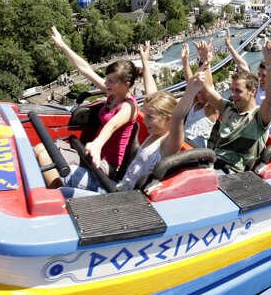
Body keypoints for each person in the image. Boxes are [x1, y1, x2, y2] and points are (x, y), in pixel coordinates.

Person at [39, 63, 211, 198]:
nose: (145, 121)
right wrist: (145, 61)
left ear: (167, 119)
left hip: (123, 198)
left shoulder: (168, 144)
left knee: (63, 191)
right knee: (55, 171)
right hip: (116, 187)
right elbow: (153, 95)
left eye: (150, 117)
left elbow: (178, 116)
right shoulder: (153, 134)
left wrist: (191, 91)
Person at [34, 26, 139, 189]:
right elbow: (85, 69)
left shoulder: (129, 107)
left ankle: (54, 197)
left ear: (126, 85)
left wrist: (97, 144)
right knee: (40, 148)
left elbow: (111, 126)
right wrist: (63, 45)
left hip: (105, 166)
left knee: (46, 159)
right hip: (91, 154)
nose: (105, 83)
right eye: (107, 79)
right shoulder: (112, 93)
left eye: (111, 81)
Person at [201, 39, 271, 172]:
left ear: (252, 92)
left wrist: (270, 62)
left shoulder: (259, 117)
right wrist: (204, 60)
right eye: (232, 90)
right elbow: (206, 90)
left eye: (238, 91)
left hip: (232, 173)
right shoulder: (228, 108)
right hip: (213, 165)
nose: (232, 95)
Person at [225, 34, 271, 137]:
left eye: (264, 76)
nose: (260, 79)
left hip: (268, 138)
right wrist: (230, 47)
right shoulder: (256, 88)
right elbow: (243, 67)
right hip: (251, 132)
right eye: (259, 75)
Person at [180, 40, 219, 148]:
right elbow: (190, 84)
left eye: (203, 93)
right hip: (182, 144)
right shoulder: (194, 103)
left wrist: (205, 60)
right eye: (198, 93)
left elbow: (208, 87)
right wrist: (185, 61)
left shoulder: (211, 109)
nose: (200, 95)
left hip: (196, 152)